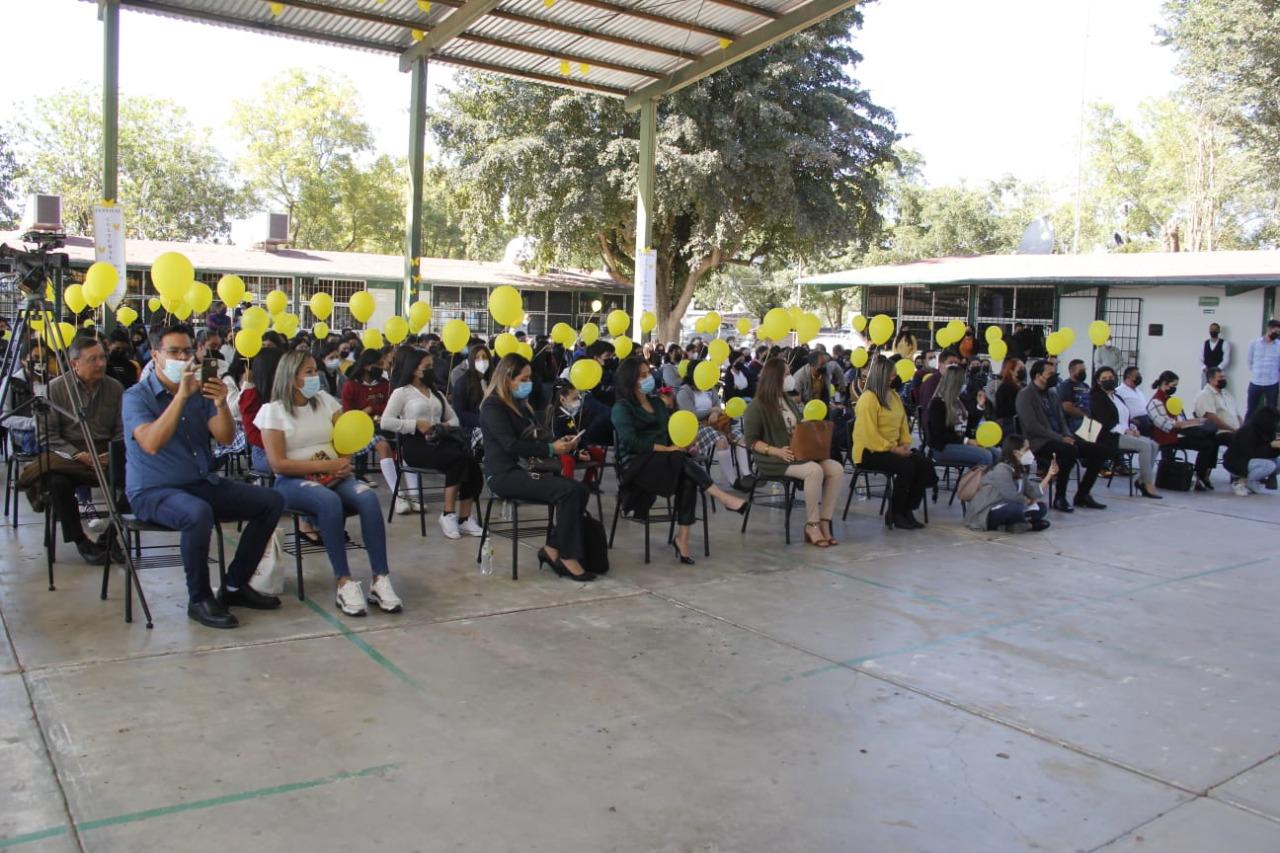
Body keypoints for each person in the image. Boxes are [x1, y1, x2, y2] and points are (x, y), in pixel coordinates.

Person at [124, 324, 285, 629]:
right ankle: (199, 599)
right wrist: (180, 398)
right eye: (174, 352)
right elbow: (151, 443)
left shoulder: (200, 392)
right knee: (197, 513)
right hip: (153, 491)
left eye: (187, 351)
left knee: (271, 500)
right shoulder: (136, 396)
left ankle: (235, 585)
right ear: (155, 356)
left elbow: (225, 437)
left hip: (199, 483)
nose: (183, 358)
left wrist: (221, 404)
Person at [256, 349, 402, 617]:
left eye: (316, 370)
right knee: (328, 501)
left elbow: (345, 437)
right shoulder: (273, 412)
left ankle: (380, 578)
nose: (316, 377)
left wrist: (343, 462)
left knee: (368, 497)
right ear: (292, 377)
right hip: (293, 481)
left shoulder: (325, 401)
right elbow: (278, 464)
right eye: (309, 372)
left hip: (333, 474)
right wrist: (325, 467)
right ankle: (344, 582)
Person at [612, 356, 746, 563]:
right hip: (636, 465)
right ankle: (723, 497)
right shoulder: (622, 408)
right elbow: (631, 442)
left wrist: (686, 445)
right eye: (643, 376)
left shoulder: (657, 403)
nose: (649, 378)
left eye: (649, 374)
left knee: (687, 476)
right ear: (630, 380)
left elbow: (669, 433)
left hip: (665, 462)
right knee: (677, 458)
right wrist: (668, 449)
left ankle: (682, 539)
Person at [478, 354, 595, 581]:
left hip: (528, 469)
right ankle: (567, 556)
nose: (528, 384)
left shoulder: (521, 406)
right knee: (569, 491)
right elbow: (510, 445)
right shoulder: (493, 406)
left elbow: (535, 438)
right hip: (505, 474)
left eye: (529, 378)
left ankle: (552, 548)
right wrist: (551, 449)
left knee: (580, 490)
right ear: (507, 378)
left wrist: (561, 443)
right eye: (523, 379)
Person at [31, 334, 125, 565]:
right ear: (75, 363)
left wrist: (111, 452)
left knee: (139, 478)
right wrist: (78, 455)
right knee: (56, 482)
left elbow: (122, 429)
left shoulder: (115, 388)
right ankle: (81, 541)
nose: (101, 364)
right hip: (69, 455)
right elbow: (46, 434)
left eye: (103, 357)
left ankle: (110, 537)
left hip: (105, 452)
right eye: (93, 359)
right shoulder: (55, 389)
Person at [381, 346, 483, 536]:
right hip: (415, 446)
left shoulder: (436, 393)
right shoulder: (402, 393)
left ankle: (465, 517)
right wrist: (414, 424)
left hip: (440, 440)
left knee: (471, 463)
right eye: (427, 366)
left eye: (431, 366)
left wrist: (442, 425)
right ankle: (448, 514)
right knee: (457, 459)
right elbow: (386, 422)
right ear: (414, 369)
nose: (431, 370)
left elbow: (454, 419)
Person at [742, 357, 843, 547]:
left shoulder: (788, 400)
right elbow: (751, 441)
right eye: (787, 374)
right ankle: (812, 524)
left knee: (836, 469)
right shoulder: (757, 406)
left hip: (798, 452)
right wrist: (776, 451)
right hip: (774, 459)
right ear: (775, 378)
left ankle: (825, 521)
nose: (790, 378)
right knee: (814, 471)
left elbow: (795, 425)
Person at [852, 358, 935, 530]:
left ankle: (908, 509)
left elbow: (903, 424)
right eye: (891, 376)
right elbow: (869, 434)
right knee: (907, 467)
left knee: (924, 463)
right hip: (870, 451)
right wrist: (893, 449)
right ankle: (895, 513)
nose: (894, 378)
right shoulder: (868, 399)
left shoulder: (894, 396)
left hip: (893, 449)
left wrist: (904, 444)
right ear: (881, 376)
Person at [1015, 359, 1108, 512]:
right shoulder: (1025, 395)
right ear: (1038, 375)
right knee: (1068, 451)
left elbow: (1062, 420)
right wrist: (1060, 438)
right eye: (1050, 374)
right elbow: (1032, 426)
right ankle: (1060, 497)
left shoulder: (1052, 394)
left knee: (1099, 451)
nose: (1054, 377)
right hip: (1039, 441)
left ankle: (1082, 495)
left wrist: (1067, 435)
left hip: (1060, 438)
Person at [676, 358, 752, 490]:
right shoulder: (684, 391)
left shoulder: (709, 388)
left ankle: (747, 475)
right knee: (721, 440)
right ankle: (733, 480)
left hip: (717, 423)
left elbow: (718, 406)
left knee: (740, 437)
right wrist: (711, 411)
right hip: (696, 428)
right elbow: (690, 414)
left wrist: (715, 412)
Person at [1147, 370, 1229, 492]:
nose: (1174, 388)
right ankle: (1199, 476)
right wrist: (1190, 423)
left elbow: (1181, 419)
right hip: (1168, 437)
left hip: (1179, 433)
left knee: (1212, 440)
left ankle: (1202, 475)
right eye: (1173, 385)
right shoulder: (1155, 402)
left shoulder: (1171, 400)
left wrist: (1194, 422)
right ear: (1164, 384)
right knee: (1207, 444)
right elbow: (1167, 425)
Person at [1089, 367, 1161, 499]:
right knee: (1145, 446)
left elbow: (1124, 418)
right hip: (1109, 436)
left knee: (1154, 444)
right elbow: (1106, 422)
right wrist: (1126, 431)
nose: (1108, 380)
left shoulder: (1116, 397)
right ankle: (1148, 484)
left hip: (1123, 433)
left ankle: (1141, 480)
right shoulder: (1097, 398)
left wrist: (1132, 428)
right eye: (1104, 378)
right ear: (1098, 381)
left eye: (1111, 377)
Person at [964, 434, 1053, 533]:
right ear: (1016, 452)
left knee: (1041, 508)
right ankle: (1026, 525)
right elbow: (1011, 496)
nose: (1030, 453)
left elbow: (1031, 491)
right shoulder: (1001, 469)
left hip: (1010, 505)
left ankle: (1014, 525)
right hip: (987, 511)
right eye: (1026, 449)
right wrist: (1028, 501)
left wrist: (1049, 475)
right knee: (1015, 509)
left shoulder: (1020, 468)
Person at [340, 349, 397, 494]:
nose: (382, 367)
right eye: (379, 364)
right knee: (382, 445)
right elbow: (347, 412)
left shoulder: (384, 384)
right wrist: (363, 416)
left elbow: (391, 405)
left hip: (383, 424)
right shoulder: (351, 385)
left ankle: (395, 473)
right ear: (366, 366)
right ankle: (393, 487)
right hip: (360, 428)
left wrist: (371, 408)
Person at [926, 365, 1000, 468]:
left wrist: (980, 406)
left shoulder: (960, 400)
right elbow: (940, 434)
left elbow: (969, 426)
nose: (965, 384)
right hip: (943, 447)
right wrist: (966, 441)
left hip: (959, 442)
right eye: (963, 381)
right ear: (955, 383)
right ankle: (977, 478)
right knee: (986, 456)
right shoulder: (937, 403)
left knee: (997, 454)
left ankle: (991, 478)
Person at [546, 382, 605, 485]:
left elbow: (581, 435)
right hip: (561, 451)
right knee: (568, 460)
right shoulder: (556, 417)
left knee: (598, 453)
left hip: (576, 450)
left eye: (578, 398)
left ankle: (587, 482)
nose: (578, 402)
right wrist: (576, 454)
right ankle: (568, 486)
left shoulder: (575, 414)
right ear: (562, 399)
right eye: (574, 399)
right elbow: (557, 441)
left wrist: (583, 449)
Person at [239, 347, 284, 474]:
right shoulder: (251, 395)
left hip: (289, 446)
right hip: (263, 451)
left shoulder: (288, 390)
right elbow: (253, 436)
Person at [3, 342, 49, 455]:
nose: (40, 361)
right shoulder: (11, 382)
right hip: (24, 431)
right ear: (23, 360)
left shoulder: (50, 381)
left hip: (48, 429)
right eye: (36, 357)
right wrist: (32, 423)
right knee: (37, 439)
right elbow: (4, 418)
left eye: (43, 357)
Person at [1224, 406, 1280, 495]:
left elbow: (1269, 454)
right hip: (1236, 463)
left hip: (1251, 462)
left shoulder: (1267, 431)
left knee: (1277, 463)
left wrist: (1276, 448)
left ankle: (1253, 478)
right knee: (1270, 465)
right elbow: (1251, 454)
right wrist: (1270, 445)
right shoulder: (1248, 431)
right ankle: (1244, 481)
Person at [451, 343, 492, 431]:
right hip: (472, 429)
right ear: (471, 360)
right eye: (477, 358)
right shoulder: (462, 383)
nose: (481, 360)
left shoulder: (493, 379)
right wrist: (483, 420)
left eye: (484, 357)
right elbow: (459, 413)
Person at [1245, 319, 1280, 420]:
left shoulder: (1279, 345)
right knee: (1251, 409)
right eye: (1275, 331)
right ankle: (1246, 429)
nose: (1276, 334)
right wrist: (1256, 372)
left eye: (1278, 333)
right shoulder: (1254, 343)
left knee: (1271, 411)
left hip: (1272, 383)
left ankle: (1270, 430)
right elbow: (1250, 361)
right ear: (1269, 329)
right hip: (1256, 382)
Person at [1193, 367, 1242, 434]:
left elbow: (1237, 415)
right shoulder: (1204, 395)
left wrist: (1242, 430)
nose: (1223, 379)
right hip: (1221, 433)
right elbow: (1212, 419)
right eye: (1221, 377)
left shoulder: (1227, 394)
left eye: (1224, 377)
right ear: (1211, 379)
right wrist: (1233, 430)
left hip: (1236, 433)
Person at [1055, 358, 1091, 434]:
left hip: (1088, 420)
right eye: (1081, 370)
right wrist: (1086, 416)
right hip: (1074, 422)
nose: (1084, 372)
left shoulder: (1085, 386)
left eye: (1084, 370)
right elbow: (1067, 407)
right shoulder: (1066, 386)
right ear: (1071, 371)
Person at [1114, 367, 1152, 435]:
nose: (1139, 377)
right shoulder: (1119, 391)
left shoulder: (1138, 391)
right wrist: (1130, 421)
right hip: (1135, 423)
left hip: (1147, 421)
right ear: (1129, 376)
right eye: (1137, 375)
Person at [994, 358, 1025, 430]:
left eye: (1023, 368)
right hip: (1009, 424)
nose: (1023, 371)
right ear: (1011, 371)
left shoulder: (1023, 386)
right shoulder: (1005, 387)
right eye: (1020, 368)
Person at [1200, 322, 1230, 387]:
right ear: (1209, 330)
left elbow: (1226, 360)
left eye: (1215, 329)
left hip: (1218, 373)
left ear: (1219, 331)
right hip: (1206, 373)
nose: (1213, 331)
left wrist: (1217, 369)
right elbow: (1201, 358)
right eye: (1211, 329)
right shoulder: (1204, 343)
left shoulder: (1225, 343)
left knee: (1218, 390)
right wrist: (1204, 368)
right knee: (1205, 390)